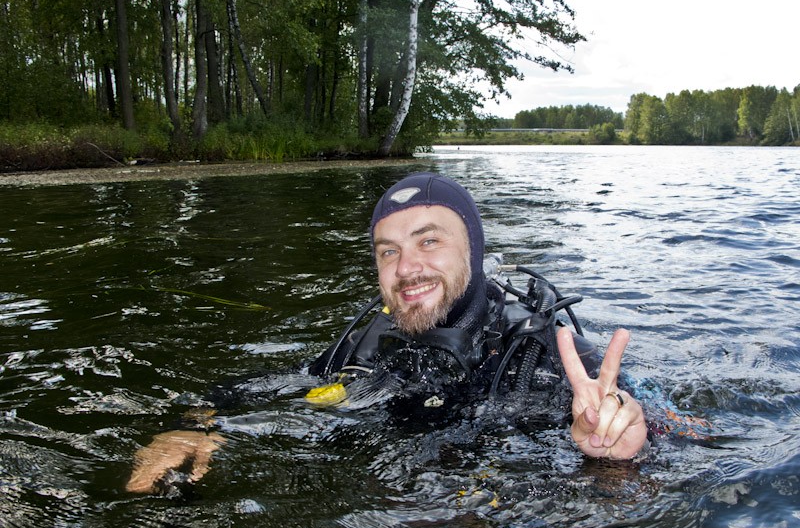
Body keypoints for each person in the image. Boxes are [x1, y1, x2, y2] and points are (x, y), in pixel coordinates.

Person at [127, 173, 647, 494]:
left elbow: (660, 438)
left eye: (428, 242)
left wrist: (615, 451)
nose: (406, 268)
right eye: (389, 251)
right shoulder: (369, 337)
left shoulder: (552, 356)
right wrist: (193, 420)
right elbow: (282, 382)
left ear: (474, 250)